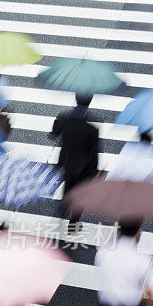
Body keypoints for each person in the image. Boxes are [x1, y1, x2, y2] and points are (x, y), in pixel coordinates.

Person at [51, 94, 99, 233]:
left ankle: (62, 211)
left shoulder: (65, 119)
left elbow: (54, 133)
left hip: (67, 162)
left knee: (68, 187)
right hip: (84, 168)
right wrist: (95, 173)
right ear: (90, 102)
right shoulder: (92, 129)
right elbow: (93, 153)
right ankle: (73, 225)